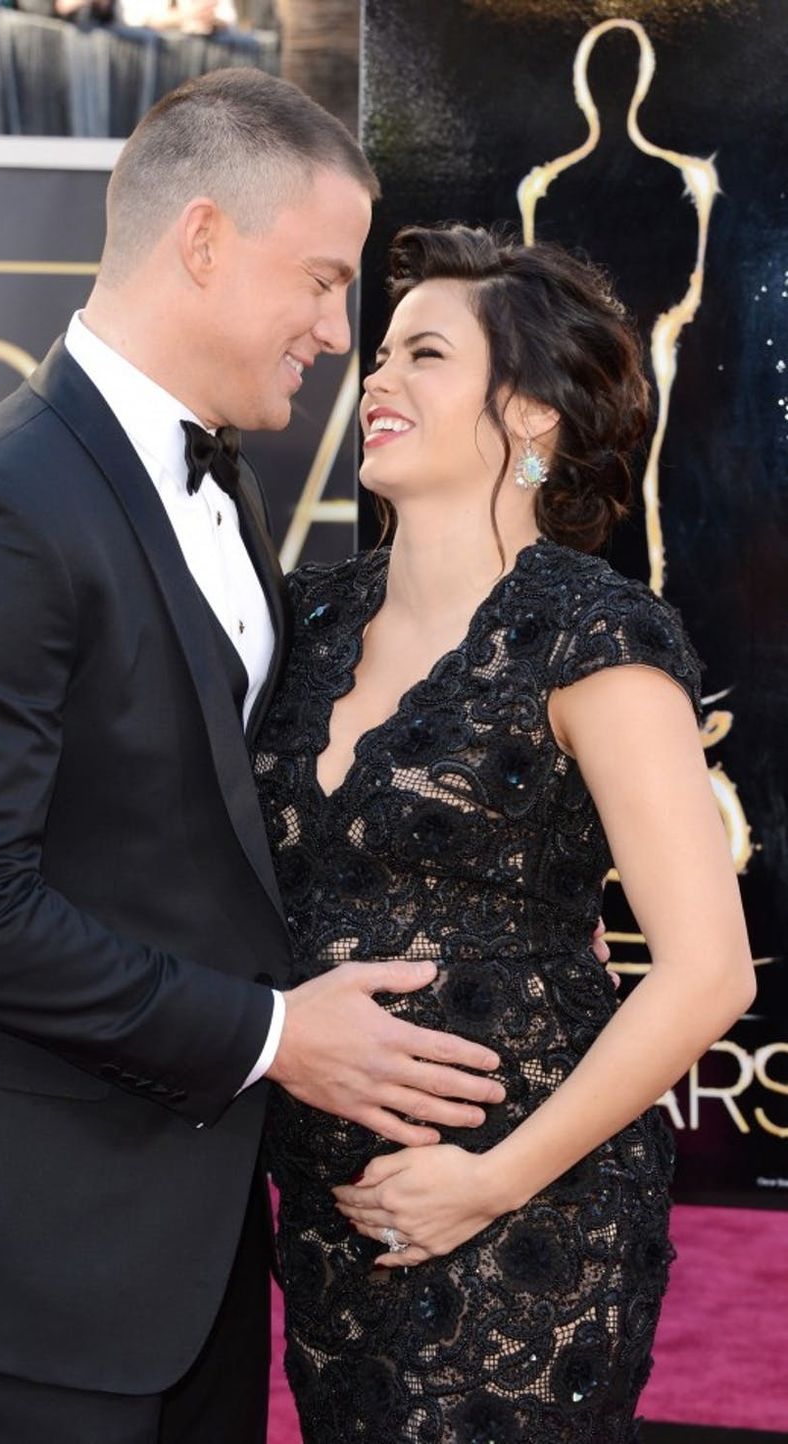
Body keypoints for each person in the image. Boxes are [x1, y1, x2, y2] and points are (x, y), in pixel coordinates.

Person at [0, 75, 512, 1444]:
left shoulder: (219, 481)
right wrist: (275, 1038)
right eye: (320, 278)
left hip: (187, 1247)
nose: (339, 329)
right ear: (201, 240)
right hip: (25, 1248)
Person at [253, 223, 756, 1443]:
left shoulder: (592, 634)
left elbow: (706, 973)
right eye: (377, 352)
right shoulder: (306, 616)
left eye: (424, 354)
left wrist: (486, 1181)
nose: (374, 379)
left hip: (528, 1220)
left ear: (528, 412)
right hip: (326, 1209)